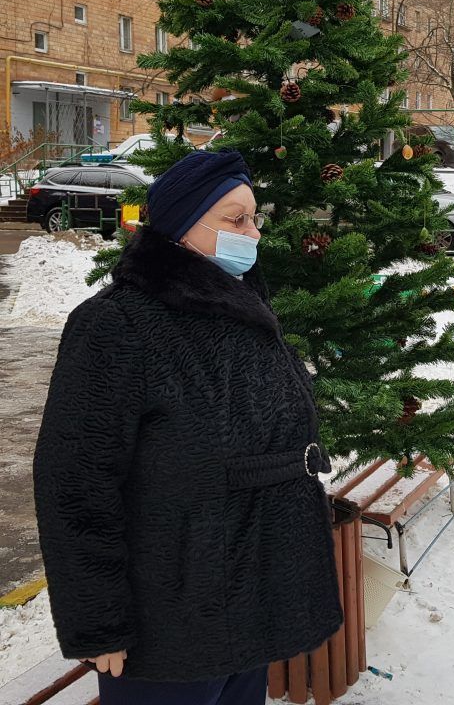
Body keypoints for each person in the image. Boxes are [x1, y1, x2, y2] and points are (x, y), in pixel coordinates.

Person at [33, 150, 342, 705]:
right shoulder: (117, 325)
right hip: (169, 621)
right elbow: (75, 484)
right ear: (180, 227)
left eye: (254, 217)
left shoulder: (241, 311)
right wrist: (99, 622)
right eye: (235, 219)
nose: (253, 232)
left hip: (249, 605)